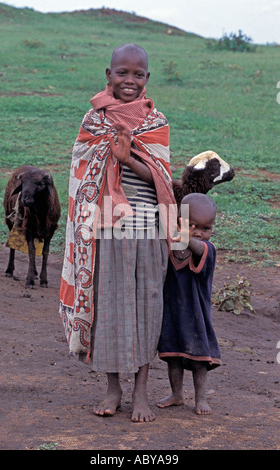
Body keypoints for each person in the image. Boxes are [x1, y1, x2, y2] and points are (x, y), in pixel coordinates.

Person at [59, 44, 177, 422]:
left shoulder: (155, 122)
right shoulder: (93, 122)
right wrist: (112, 154)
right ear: (107, 75)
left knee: (147, 303)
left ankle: (141, 391)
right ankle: (113, 387)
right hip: (105, 226)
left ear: (147, 79)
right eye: (122, 73)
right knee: (106, 302)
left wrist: (128, 160)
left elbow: (162, 178)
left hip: (147, 225)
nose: (129, 81)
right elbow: (82, 170)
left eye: (137, 74)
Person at [157, 193, 221, 415]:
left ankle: (201, 399)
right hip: (172, 314)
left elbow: (199, 248)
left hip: (196, 316)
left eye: (206, 228)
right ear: (179, 221)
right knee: (172, 357)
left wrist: (187, 237)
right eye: (193, 226)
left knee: (199, 360)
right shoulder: (170, 246)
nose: (201, 232)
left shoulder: (207, 249)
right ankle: (177, 394)